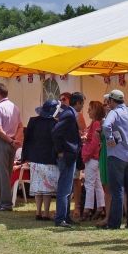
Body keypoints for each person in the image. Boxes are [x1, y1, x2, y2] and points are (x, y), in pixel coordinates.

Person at [99, 89, 128, 231]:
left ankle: (114, 223)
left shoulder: (113, 113)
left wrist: (109, 138)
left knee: (117, 190)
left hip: (116, 155)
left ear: (111, 101)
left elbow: (106, 125)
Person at [52, 92, 84, 228]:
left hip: (69, 154)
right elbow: (56, 132)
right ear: (77, 103)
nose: (82, 106)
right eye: (82, 103)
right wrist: (60, 151)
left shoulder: (68, 113)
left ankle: (65, 216)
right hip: (66, 155)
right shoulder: (69, 114)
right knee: (64, 188)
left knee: (67, 188)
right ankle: (60, 218)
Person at [23, 99, 59, 220]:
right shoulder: (54, 124)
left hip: (35, 157)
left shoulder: (33, 121)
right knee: (47, 189)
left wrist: (25, 156)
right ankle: (46, 213)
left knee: (38, 188)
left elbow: (27, 139)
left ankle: (38, 212)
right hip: (49, 158)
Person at [0, 82, 21, 212]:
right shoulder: (15, 107)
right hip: (11, 141)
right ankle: (3, 201)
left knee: (2, 173)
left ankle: (5, 202)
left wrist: (11, 141)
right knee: (6, 172)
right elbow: (20, 125)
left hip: (1, 141)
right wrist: (15, 140)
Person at [81, 100, 106, 221]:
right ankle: (100, 207)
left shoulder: (96, 123)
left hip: (92, 157)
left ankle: (87, 209)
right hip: (97, 158)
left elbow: (95, 143)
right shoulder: (98, 123)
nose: (88, 111)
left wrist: (86, 154)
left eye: (90, 109)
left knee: (89, 184)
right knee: (97, 184)